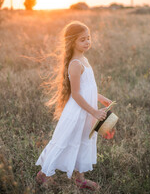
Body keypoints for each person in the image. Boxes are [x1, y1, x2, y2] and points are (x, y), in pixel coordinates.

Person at [35, 20, 112, 191]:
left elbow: (88, 88)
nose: (87, 42)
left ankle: (80, 179)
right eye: (82, 39)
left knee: (83, 140)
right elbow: (76, 94)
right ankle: (44, 174)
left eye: (88, 38)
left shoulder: (84, 59)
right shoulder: (75, 64)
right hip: (78, 112)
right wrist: (94, 111)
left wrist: (100, 98)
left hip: (88, 111)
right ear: (72, 42)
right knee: (65, 140)